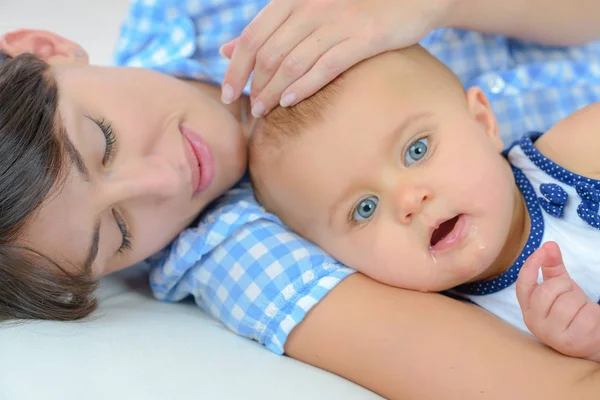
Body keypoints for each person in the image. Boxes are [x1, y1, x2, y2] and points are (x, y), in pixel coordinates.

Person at [0, 0, 599, 398]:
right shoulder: (238, 255)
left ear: (44, 48)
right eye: (119, 232)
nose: (165, 180)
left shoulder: (197, 11)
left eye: (103, 140)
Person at [247, 43, 600, 361]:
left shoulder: (578, 155)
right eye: (364, 208)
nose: (408, 201)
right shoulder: (457, 335)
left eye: (417, 151)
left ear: (483, 122)